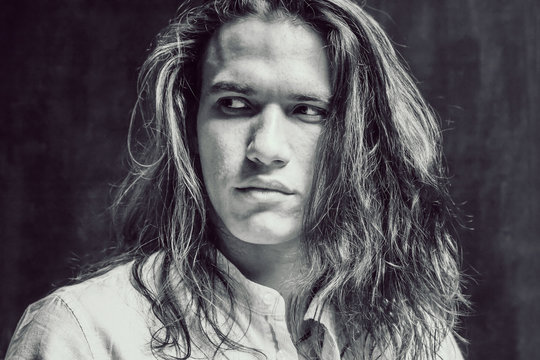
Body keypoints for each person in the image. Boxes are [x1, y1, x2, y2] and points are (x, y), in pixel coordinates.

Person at [6, 0, 467, 359]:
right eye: (234, 104)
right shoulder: (84, 334)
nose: (265, 148)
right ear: (190, 127)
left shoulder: (412, 334)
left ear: (362, 139)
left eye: (307, 111)